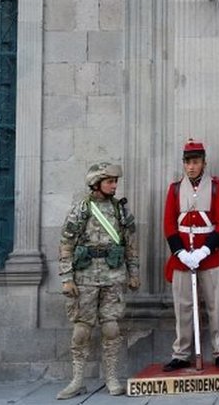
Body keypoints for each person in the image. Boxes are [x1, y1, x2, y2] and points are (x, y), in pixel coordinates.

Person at [57, 162, 140, 399]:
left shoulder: (121, 211)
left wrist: (134, 274)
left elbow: (131, 245)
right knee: (82, 329)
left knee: (111, 327)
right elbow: (66, 244)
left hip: (113, 275)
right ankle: (77, 380)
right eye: (109, 181)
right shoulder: (81, 210)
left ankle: (111, 378)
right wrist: (66, 278)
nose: (114, 185)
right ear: (96, 184)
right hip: (85, 276)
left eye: (115, 181)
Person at [162, 139, 219, 371]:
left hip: (209, 255)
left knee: (214, 304)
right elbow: (169, 225)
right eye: (188, 162)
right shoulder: (174, 189)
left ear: (204, 163)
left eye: (196, 162)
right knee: (182, 306)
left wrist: (205, 250)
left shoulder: (216, 187)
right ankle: (181, 353)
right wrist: (180, 253)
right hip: (183, 257)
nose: (191, 166)